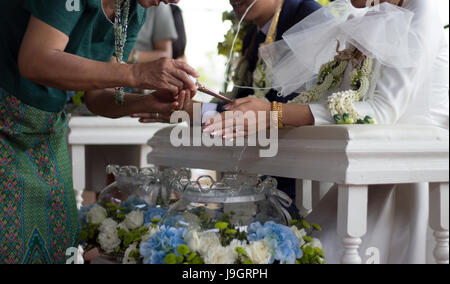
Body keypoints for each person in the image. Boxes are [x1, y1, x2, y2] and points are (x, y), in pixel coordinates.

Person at [208, 0, 449, 263]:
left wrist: (272, 113)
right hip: (368, 165)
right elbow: (335, 99)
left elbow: (381, 111)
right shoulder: (366, 16)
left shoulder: (421, 8)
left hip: (408, 173)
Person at [0, 0, 198, 264]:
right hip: (5, 118)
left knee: (59, 241)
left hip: (46, 129)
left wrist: (146, 103)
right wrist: (136, 73)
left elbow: (97, 96)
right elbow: (35, 60)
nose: (174, 1)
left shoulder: (132, 11)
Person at [134, 0, 322, 202]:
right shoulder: (254, 33)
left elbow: (278, 113)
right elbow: (246, 105)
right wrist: (185, 106)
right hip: (261, 168)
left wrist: (191, 110)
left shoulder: (307, 18)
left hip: (295, 181)